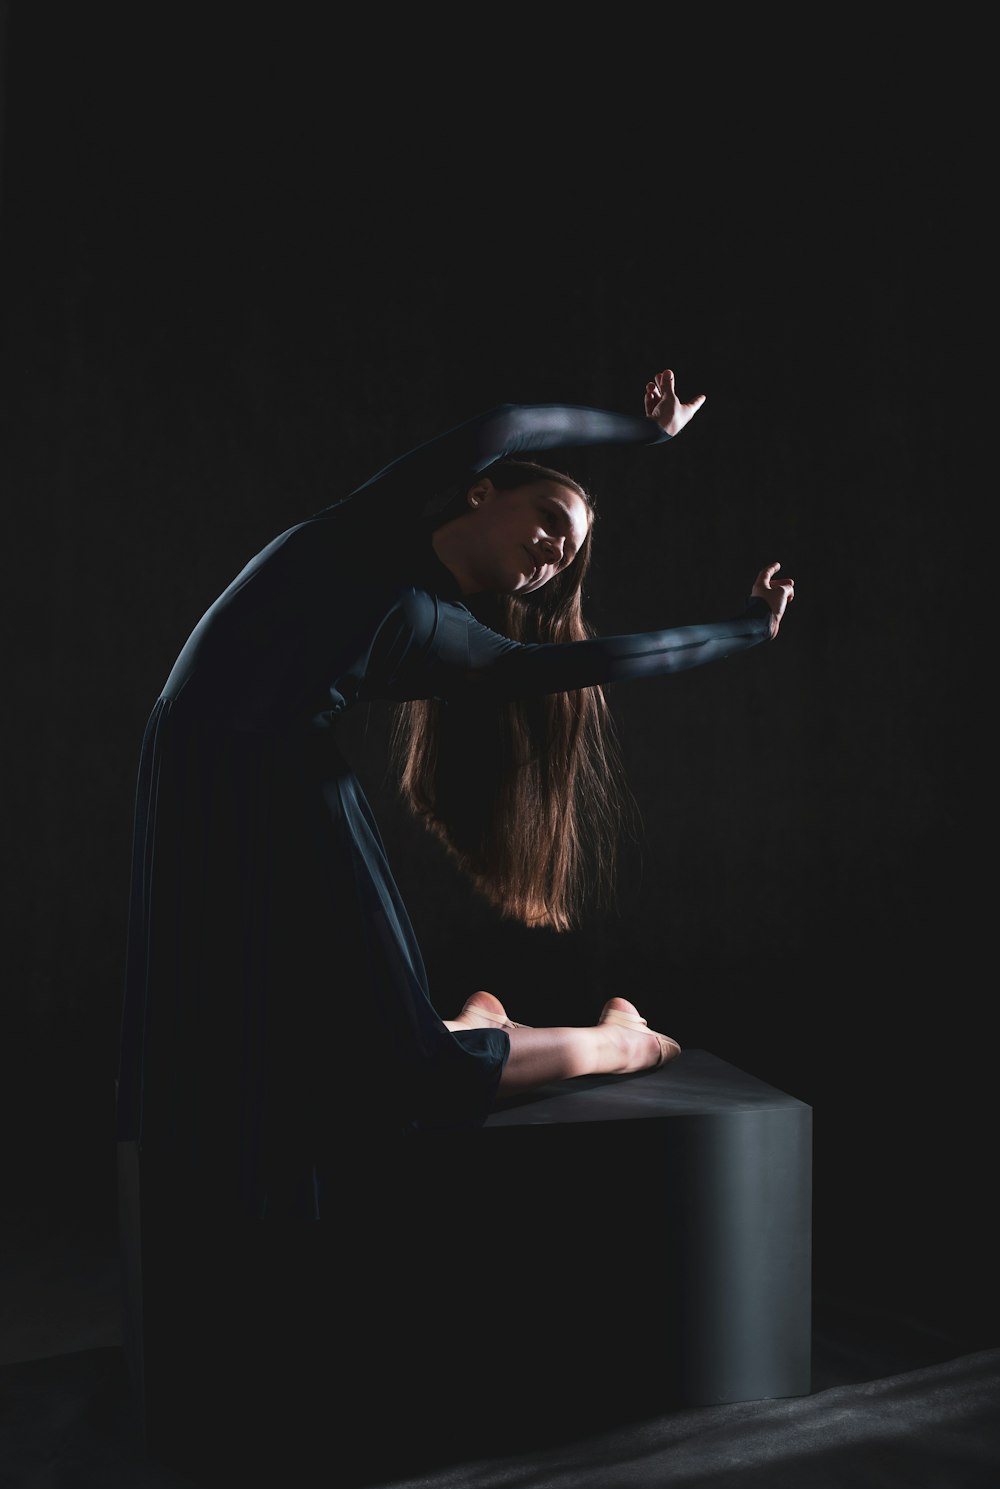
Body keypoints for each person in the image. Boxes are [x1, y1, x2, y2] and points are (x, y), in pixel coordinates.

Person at [114, 366, 794, 1220]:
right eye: (551, 521)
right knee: (241, 1044)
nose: (556, 554)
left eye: (569, 556)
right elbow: (508, 422)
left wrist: (744, 629)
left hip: (282, 793)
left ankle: (617, 1044)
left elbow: (605, 660)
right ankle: (487, 1028)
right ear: (479, 495)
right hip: (189, 767)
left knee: (405, 1077)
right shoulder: (375, 521)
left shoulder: (455, 640)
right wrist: (644, 432)